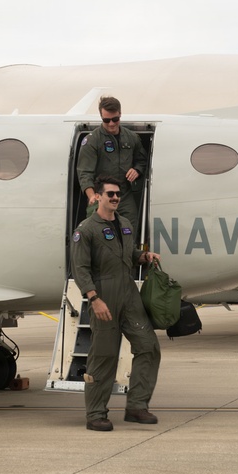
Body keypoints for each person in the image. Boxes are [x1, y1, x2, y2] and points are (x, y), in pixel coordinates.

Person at [71, 174, 161, 431]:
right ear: (97, 196)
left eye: (118, 194)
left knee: (148, 347)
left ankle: (137, 407)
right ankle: (96, 413)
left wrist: (143, 256)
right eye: (110, 193)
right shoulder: (86, 230)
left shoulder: (124, 224)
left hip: (129, 294)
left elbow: (126, 255)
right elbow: (80, 269)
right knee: (104, 356)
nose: (115, 198)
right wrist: (94, 299)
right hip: (104, 295)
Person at [76, 96, 148, 235]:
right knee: (97, 235)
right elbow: (84, 173)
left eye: (115, 119)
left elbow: (142, 160)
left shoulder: (131, 138)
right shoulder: (92, 141)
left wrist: (137, 170)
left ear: (120, 114)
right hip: (100, 196)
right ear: (101, 117)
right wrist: (92, 196)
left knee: (129, 232)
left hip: (124, 194)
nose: (111, 124)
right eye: (106, 120)